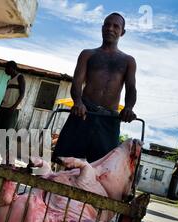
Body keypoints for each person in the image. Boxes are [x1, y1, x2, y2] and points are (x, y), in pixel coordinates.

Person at [52, 13, 137, 164]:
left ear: (122, 32)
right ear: (102, 28)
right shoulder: (88, 54)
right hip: (84, 113)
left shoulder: (128, 61)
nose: (110, 28)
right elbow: (77, 82)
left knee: (101, 168)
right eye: (107, 24)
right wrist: (78, 102)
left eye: (116, 26)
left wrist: (129, 107)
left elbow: (131, 88)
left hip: (109, 119)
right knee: (67, 161)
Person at [0, 61, 26, 165]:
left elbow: (22, 94)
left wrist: (14, 107)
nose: (5, 70)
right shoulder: (9, 80)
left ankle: (4, 161)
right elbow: (5, 97)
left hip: (12, 110)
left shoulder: (20, 77)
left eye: (6, 68)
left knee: (6, 136)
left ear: (11, 68)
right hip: (3, 109)